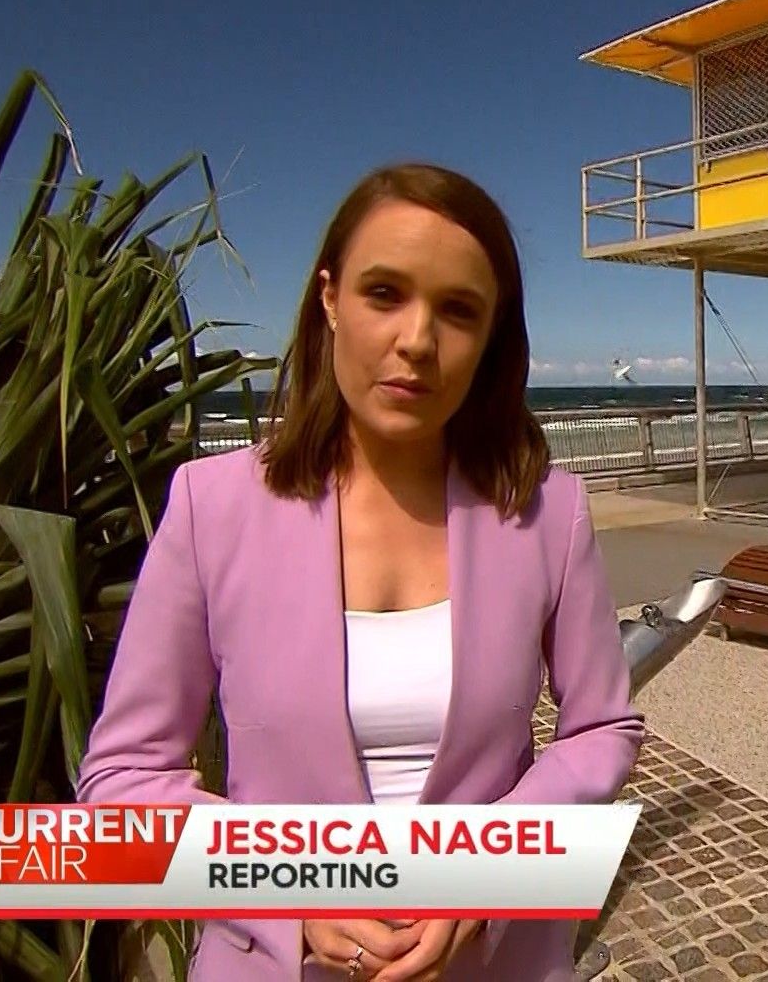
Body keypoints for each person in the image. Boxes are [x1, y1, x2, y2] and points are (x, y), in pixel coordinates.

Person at [76, 163, 645, 981]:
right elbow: (123, 778)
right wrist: (288, 892)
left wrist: (490, 872)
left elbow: (600, 731)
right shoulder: (212, 506)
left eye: (458, 310)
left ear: (491, 338)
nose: (417, 339)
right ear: (330, 299)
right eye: (385, 293)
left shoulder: (547, 513)